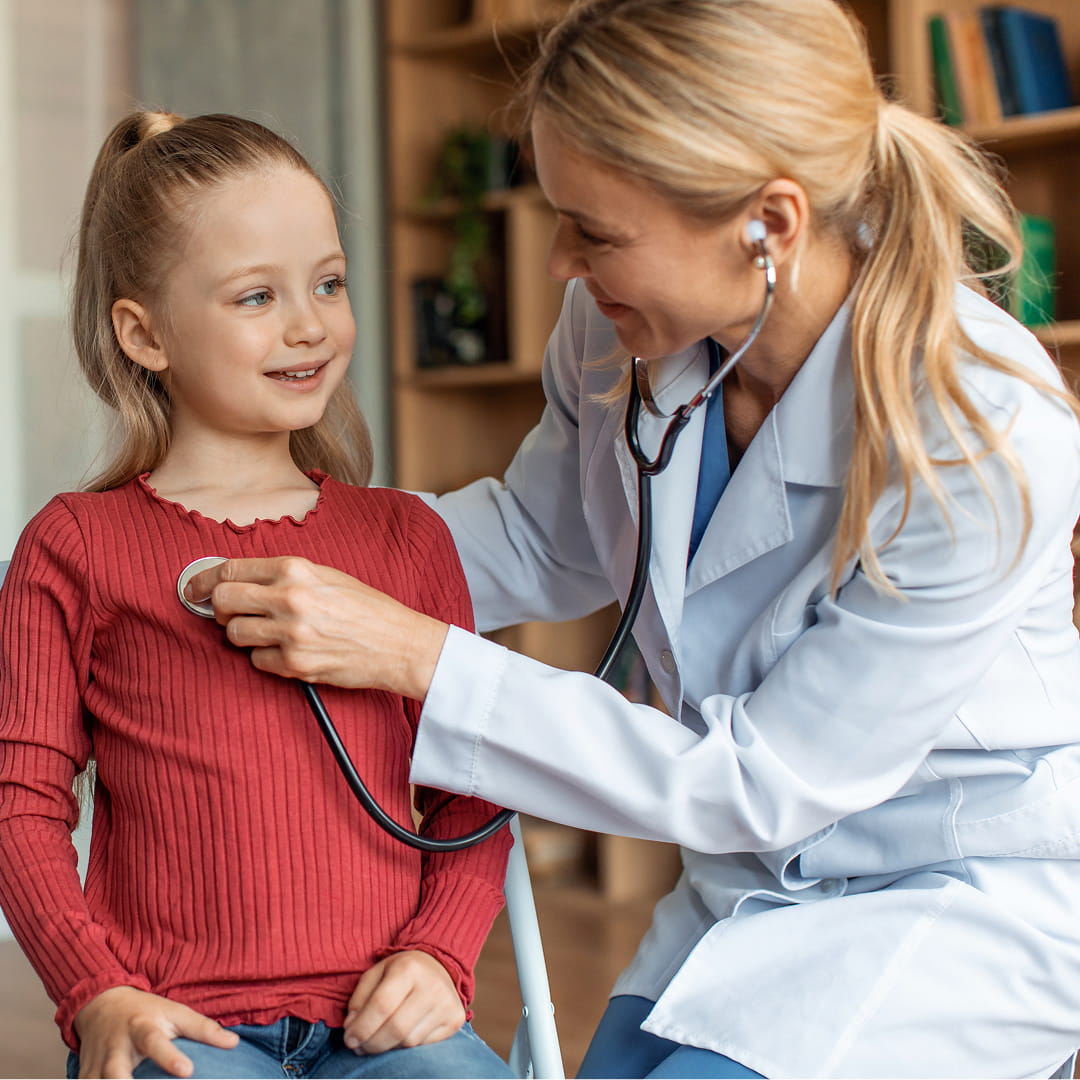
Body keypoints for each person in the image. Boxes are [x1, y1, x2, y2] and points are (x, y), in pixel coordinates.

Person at [188, 0, 1080, 1076]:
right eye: (561, 215)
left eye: (597, 231)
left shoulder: (982, 428)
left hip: (956, 894)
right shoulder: (624, 334)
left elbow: (767, 777)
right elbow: (541, 533)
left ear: (771, 223)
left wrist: (417, 657)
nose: (561, 261)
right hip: (744, 881)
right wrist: (258, 546)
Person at [0, 111, 514, 1080]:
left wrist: (440, 952)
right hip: (182, 1026)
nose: (309, 323)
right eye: (256, 297)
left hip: (381, 1023)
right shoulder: (75, 547)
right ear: (143, 334)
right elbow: (17, 804)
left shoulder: (406, 539)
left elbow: (469, 788)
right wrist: (96, 990)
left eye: (327, 282)